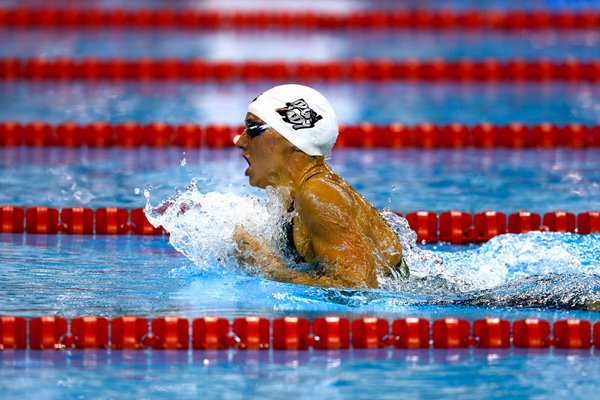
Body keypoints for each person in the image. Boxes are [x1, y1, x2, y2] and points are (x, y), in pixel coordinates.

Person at [233, 84, 408, 289]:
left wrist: (268, 267)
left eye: (252, 130)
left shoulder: (319, 195)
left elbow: (359, 287)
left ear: (291, 139)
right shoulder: (292, 193)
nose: (240, 141)